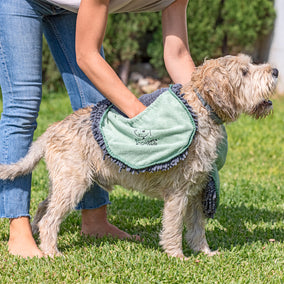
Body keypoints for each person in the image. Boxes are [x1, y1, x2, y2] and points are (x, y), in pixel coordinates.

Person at [0, 0, 195, 258]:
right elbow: (86, 56)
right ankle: (19, 230)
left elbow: (178, 53)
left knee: (95, 108)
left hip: (72, 5)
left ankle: (94, 220)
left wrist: (201, 108)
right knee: (23, 104)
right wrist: (140, 114)